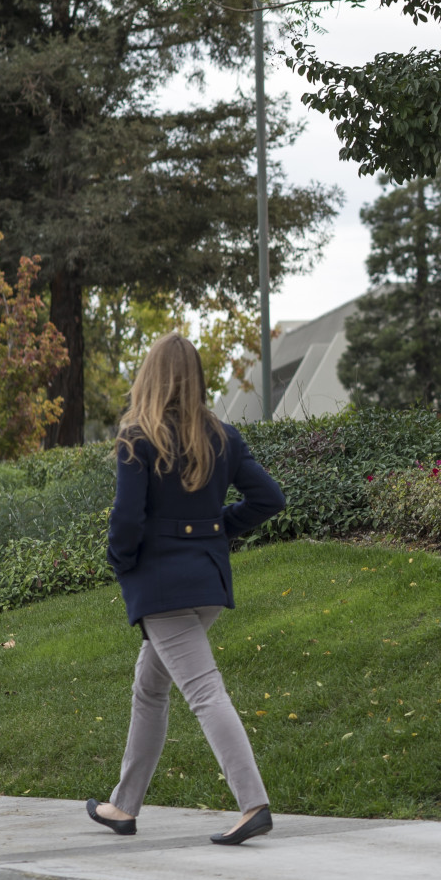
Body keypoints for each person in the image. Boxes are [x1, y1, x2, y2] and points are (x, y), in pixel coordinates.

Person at [85, 333, 287, 845]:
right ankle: (123, 807)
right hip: (208, 583)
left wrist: (121, 561)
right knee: (150, 685)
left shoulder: (137, 437)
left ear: (151, 376)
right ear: (195, 379)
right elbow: (269, 499)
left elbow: (126, 518)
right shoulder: (222, 437)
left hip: (162, 586)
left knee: (203, 691)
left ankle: (253, 802)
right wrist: (218, 529)